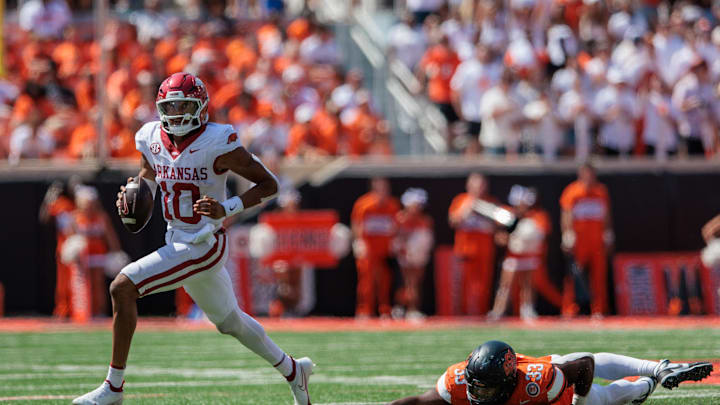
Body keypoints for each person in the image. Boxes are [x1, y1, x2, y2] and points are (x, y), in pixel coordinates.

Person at [72, 73, 313, 405]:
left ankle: (113, 388)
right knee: (230, 322)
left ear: (201, 107)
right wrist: (133, 196)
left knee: (122, 287)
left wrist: (226, 207)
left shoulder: (218, 140)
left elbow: (269, 185)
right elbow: (148, 177)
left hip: (204, 241)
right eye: (170, 106)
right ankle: (293, 370)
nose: (177, 113)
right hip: (177, 238)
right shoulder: (150, 137)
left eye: (184, 105)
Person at [388, 340, 713, 405]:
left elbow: (585, 365)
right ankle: (659, 369)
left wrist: (580, 403)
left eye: (488, 389)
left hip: (560, 391)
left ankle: (647, 380)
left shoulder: (536, 382)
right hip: (549, 367)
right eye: (478, 387)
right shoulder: (457, 381)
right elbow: (420, 401)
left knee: (604, 397)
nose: (479, 395)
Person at [489, 185, 551, 321]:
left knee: (528, 284)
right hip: (513, 256)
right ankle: (498, 310)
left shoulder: (536, 216)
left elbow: (541, 235)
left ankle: (527, 309)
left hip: (528, 255)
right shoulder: (508, 214)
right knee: (505, 285)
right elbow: (499, 236)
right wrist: (509, 239)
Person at [559, 163, 613, 318]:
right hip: (579, 241)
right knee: (573, 276)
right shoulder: (572, 191)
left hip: (596, 241)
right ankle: (569, 309)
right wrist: (567, 234)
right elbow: (566, 214)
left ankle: (599, 309)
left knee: (599, 276)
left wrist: (608, 234)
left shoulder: (601, 191)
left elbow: (606, 214)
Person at [448, 173, 498, 315]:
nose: (479, 188)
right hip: (464, 249)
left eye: (482, 185)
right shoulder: (461, 200)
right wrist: (469, 207)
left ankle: (480, 314)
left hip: (484, 249)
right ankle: (460, 315)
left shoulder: (490, 202)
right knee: (461, 285)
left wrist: (486, 212)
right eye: (476, 185)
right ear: (468, 186)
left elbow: (499, 225)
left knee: (482, 285)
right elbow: (453, 221)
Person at [351, 177, 400, 318]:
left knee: (384, 281)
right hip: (368, 249)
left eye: (384, 187)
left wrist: (395, 241)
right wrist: (358, 242)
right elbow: (356, 224)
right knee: (366, 282)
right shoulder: (363, 204)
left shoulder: (392, 205)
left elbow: (396, 225)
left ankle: (384, 310)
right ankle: (365, 310)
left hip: (384, 249)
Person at [393, 188, 434, 321]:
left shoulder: (425, 220)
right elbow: (396, 238)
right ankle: (408, 308)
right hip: (405, 255)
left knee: (416, 282)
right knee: (409, 282)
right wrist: (404, 248)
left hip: (419, 255)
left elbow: (427, 239)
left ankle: (409, 308)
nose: (418, 207)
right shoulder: (401, 218)